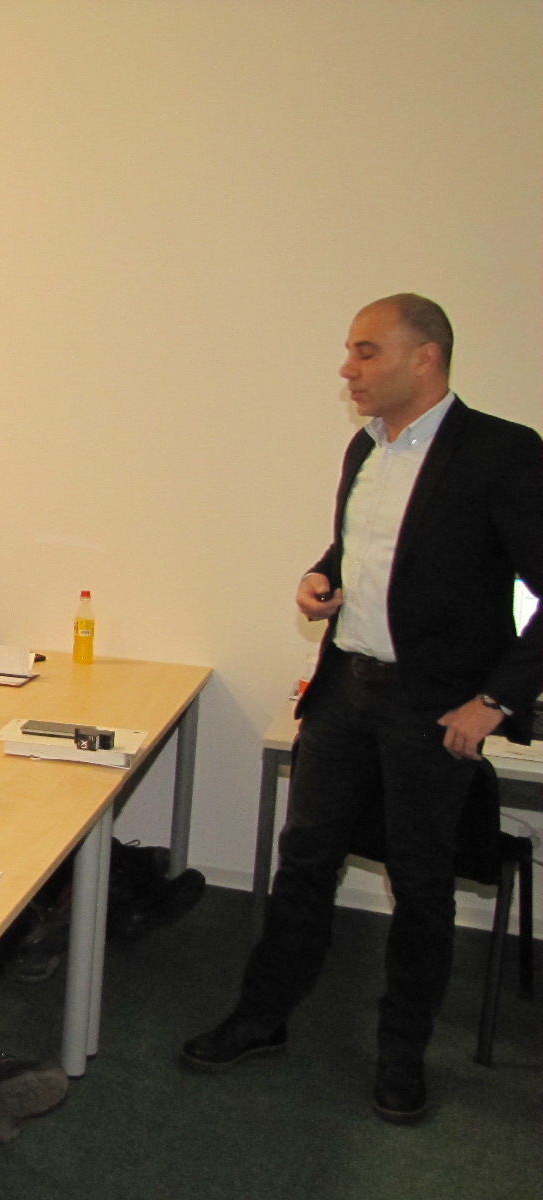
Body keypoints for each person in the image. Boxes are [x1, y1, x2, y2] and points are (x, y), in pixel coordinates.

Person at [182, 295, 543, 1123]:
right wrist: (323, 575)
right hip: (345, 688)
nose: (348, 369)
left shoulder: (501, 452)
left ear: (425, 357)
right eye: (350, 351)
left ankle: (401, 1055)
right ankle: (262, 1016)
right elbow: (364, 551)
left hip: (433, 706)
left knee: (421, 884)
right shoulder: (365, 448)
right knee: (305, 860)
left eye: (366, 351)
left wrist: (494, 701)